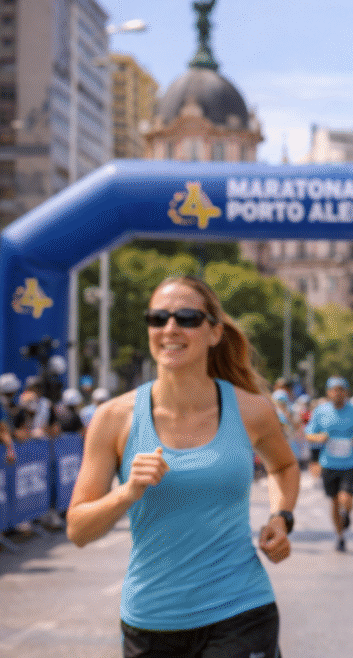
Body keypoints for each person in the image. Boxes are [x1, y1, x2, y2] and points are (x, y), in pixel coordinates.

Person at [66, 275, 299, 658]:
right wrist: (126, 493)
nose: (170, 328)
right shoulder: (114, 418)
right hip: (152, 621)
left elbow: (284, 466)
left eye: (187, 317)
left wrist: (281, 517)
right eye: (158, 318)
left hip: (240, 609)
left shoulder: (251, 409)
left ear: (214, 333)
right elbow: (77, 529)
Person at [304, 376, 353, 552]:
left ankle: (347, 513)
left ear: (346, 392)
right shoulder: (320, 411)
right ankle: (340, 536)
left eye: (341, 390)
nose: (337, 393)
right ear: (328, 392)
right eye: (334, 390)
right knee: (334, 502)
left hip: (350, 463)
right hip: (329, 463)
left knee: (345, 498)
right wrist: (319, 437)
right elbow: (309, 433)